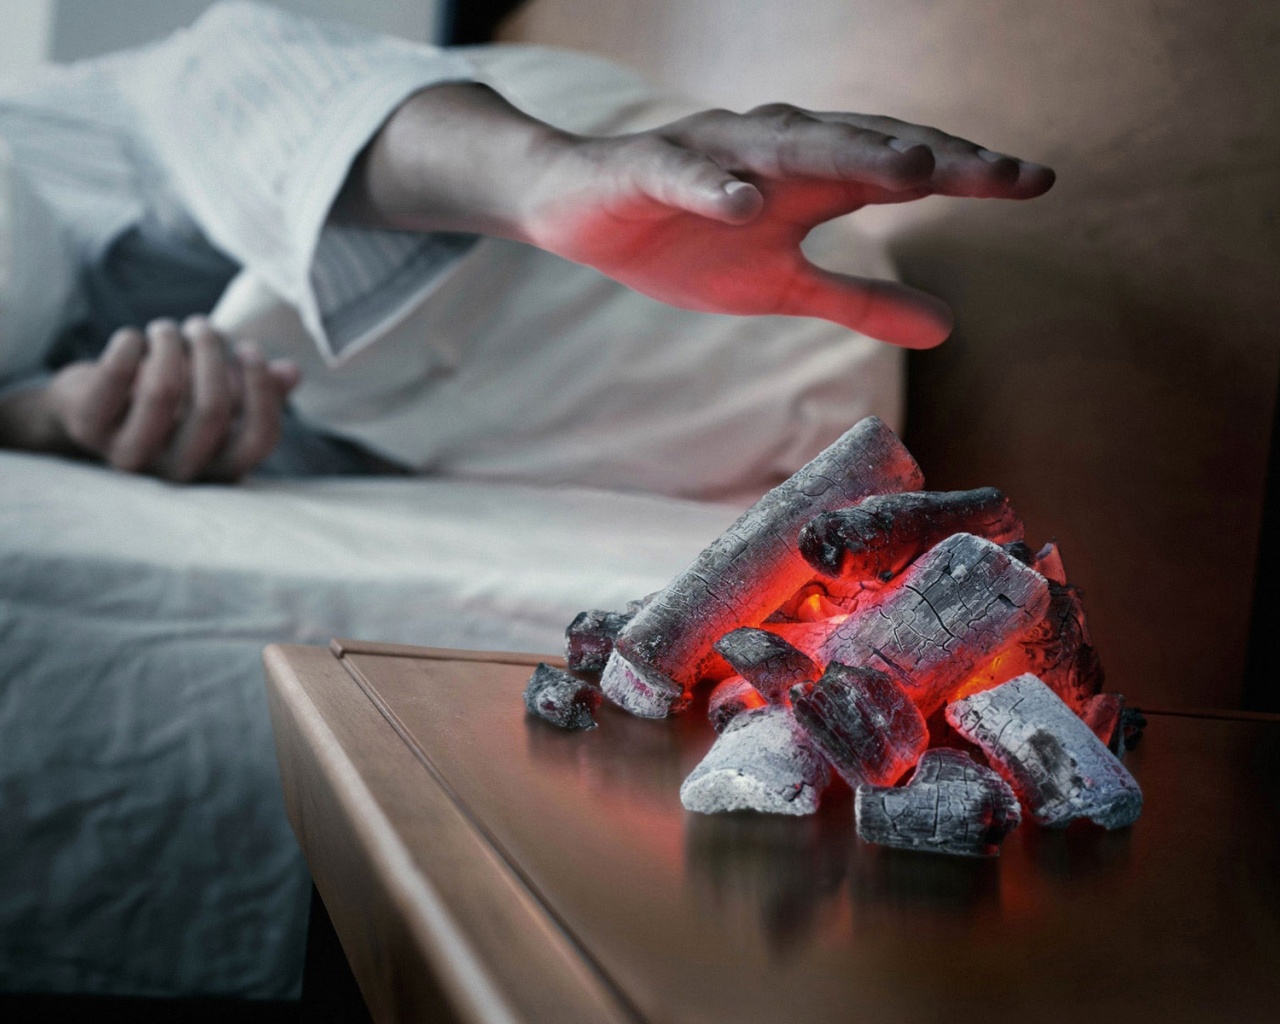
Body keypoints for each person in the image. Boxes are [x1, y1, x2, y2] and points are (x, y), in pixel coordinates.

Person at [0, 1, 1053, 486]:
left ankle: (549, 179)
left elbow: (227, 82)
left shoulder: (74, 139)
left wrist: (543, 175)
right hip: (745, 394)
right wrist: (49, 420)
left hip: (553, 195)